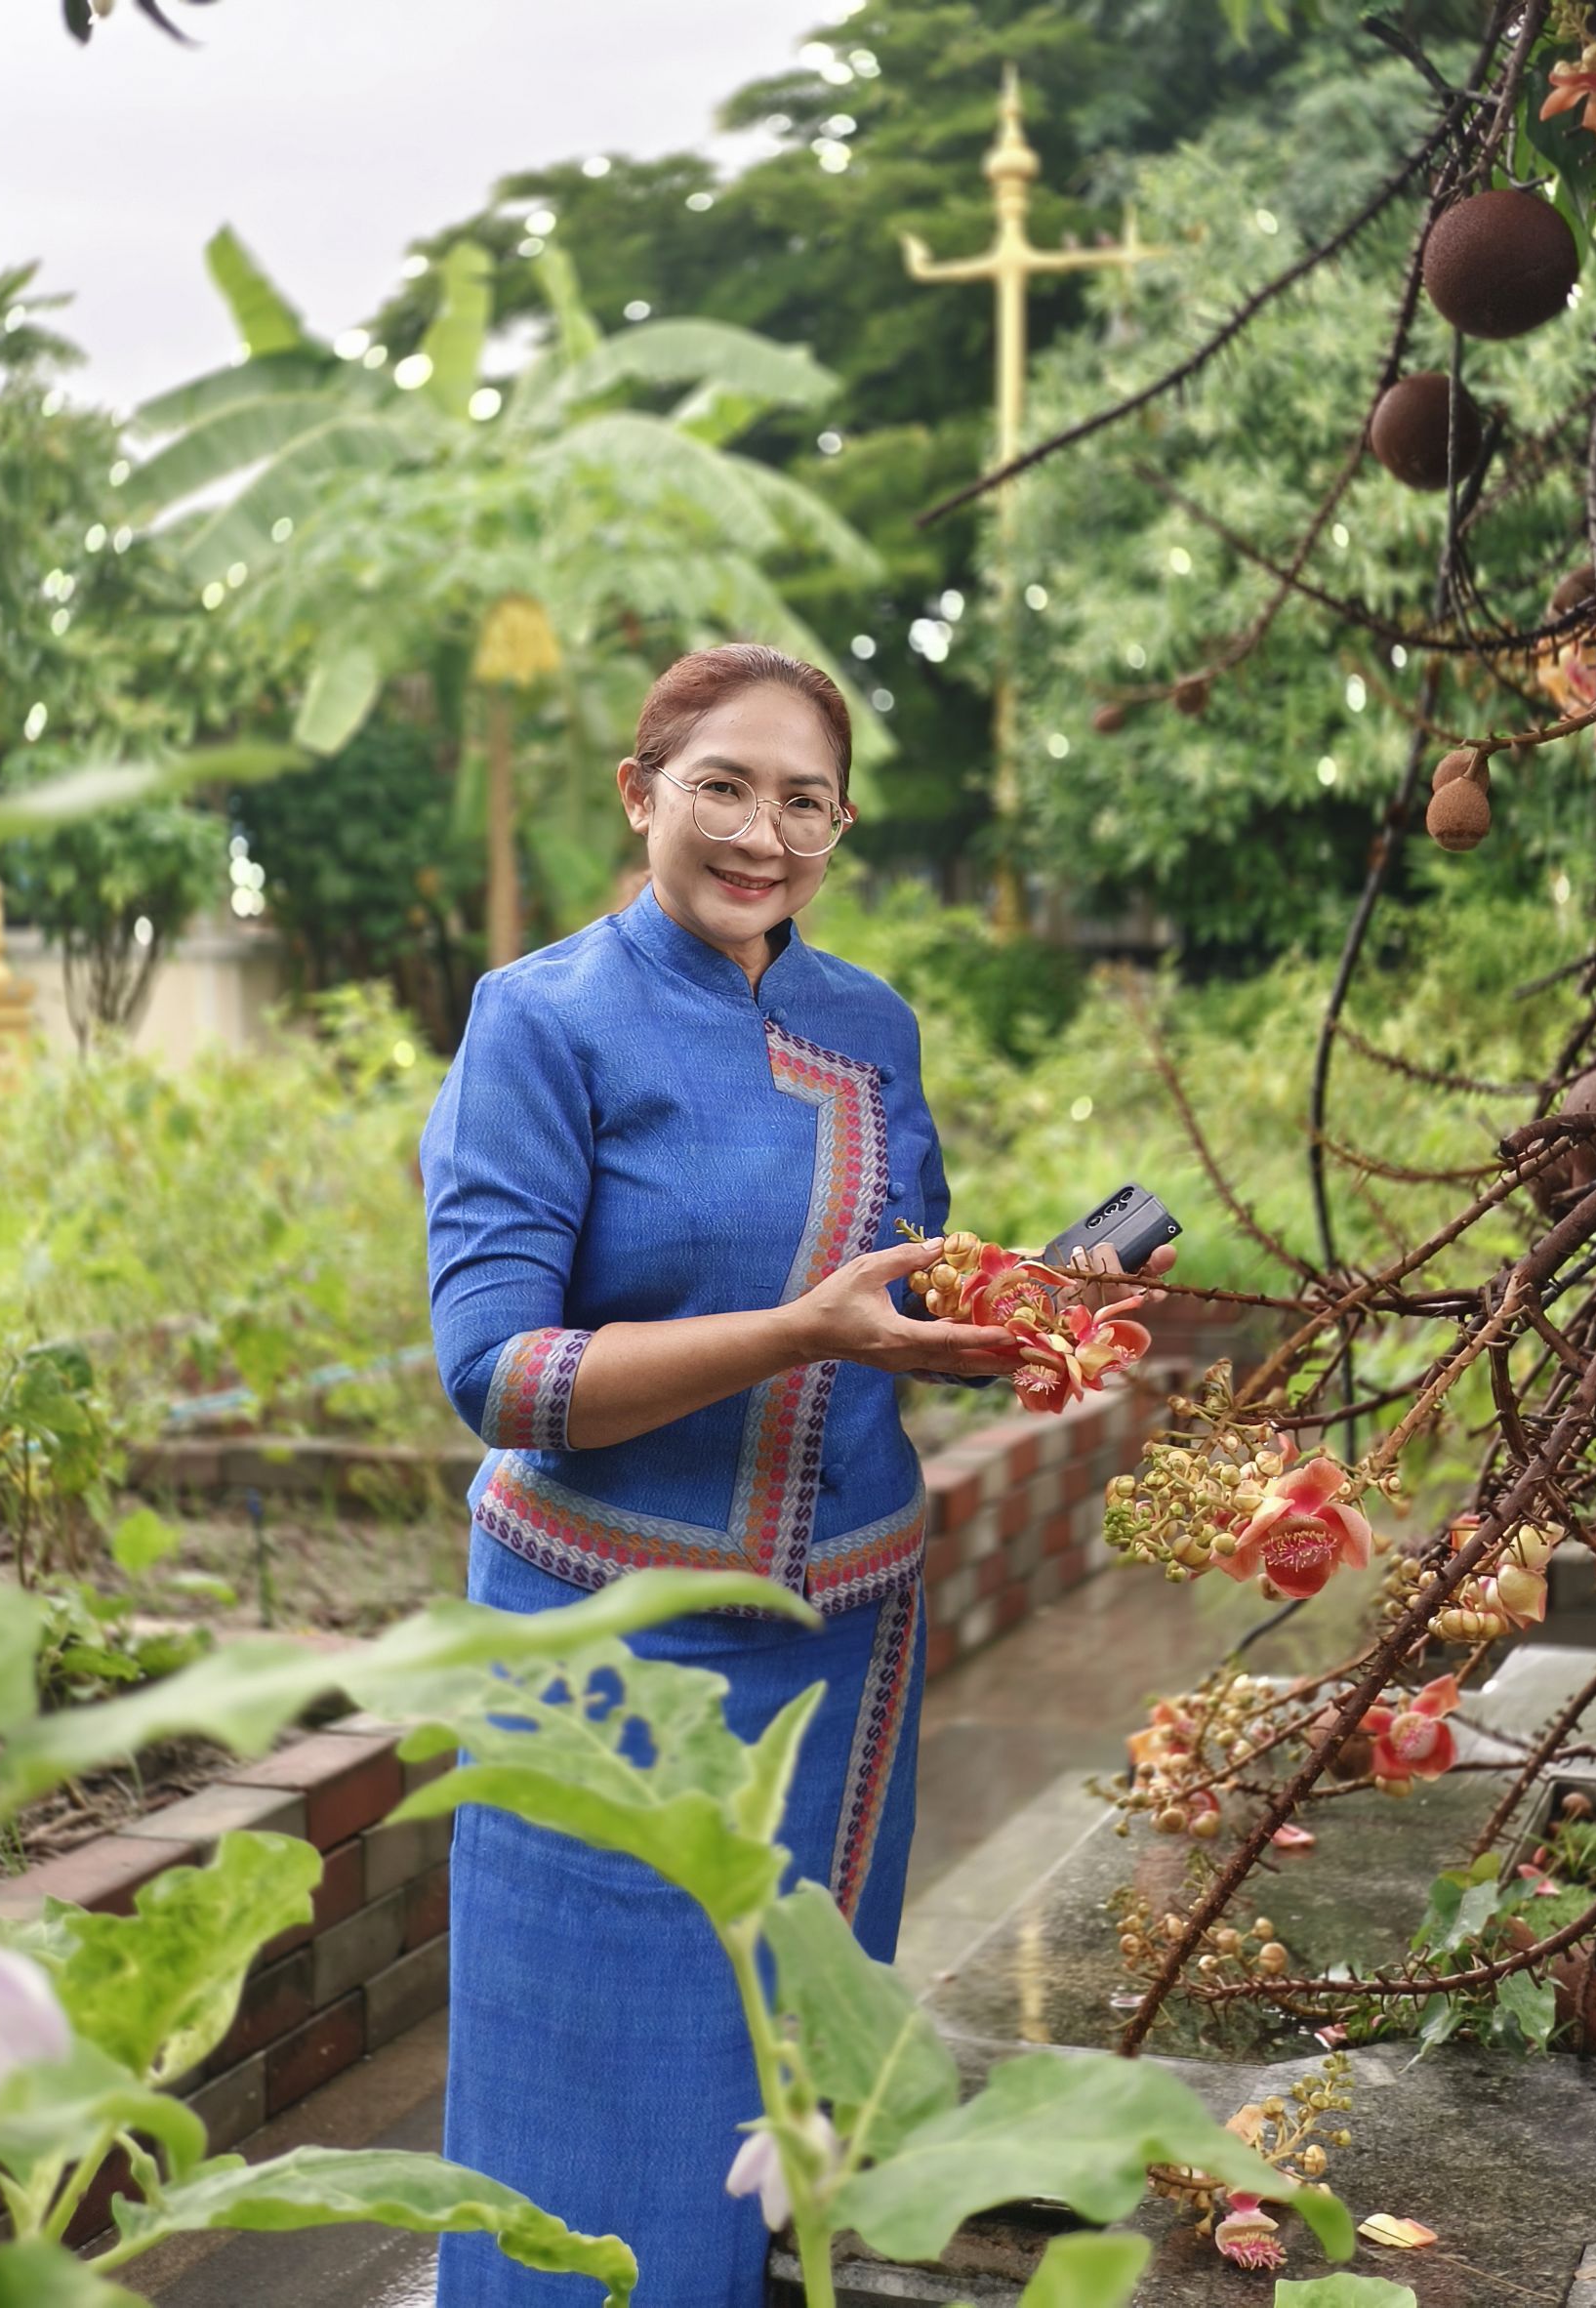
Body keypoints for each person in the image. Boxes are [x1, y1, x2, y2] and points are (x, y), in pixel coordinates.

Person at [420, 642, 1173, 2307]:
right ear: (640, 794)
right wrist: (795, 1333)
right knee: (585, 2119)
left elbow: (894, 1288)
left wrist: (1019, 1321)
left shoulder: (868, 1023)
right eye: (723, 786)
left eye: (806, 802)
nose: (763, 833)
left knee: (791, 2117)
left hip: (844, 1639)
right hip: (602, 1644)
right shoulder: (538, 1022)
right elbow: (501, 1377)